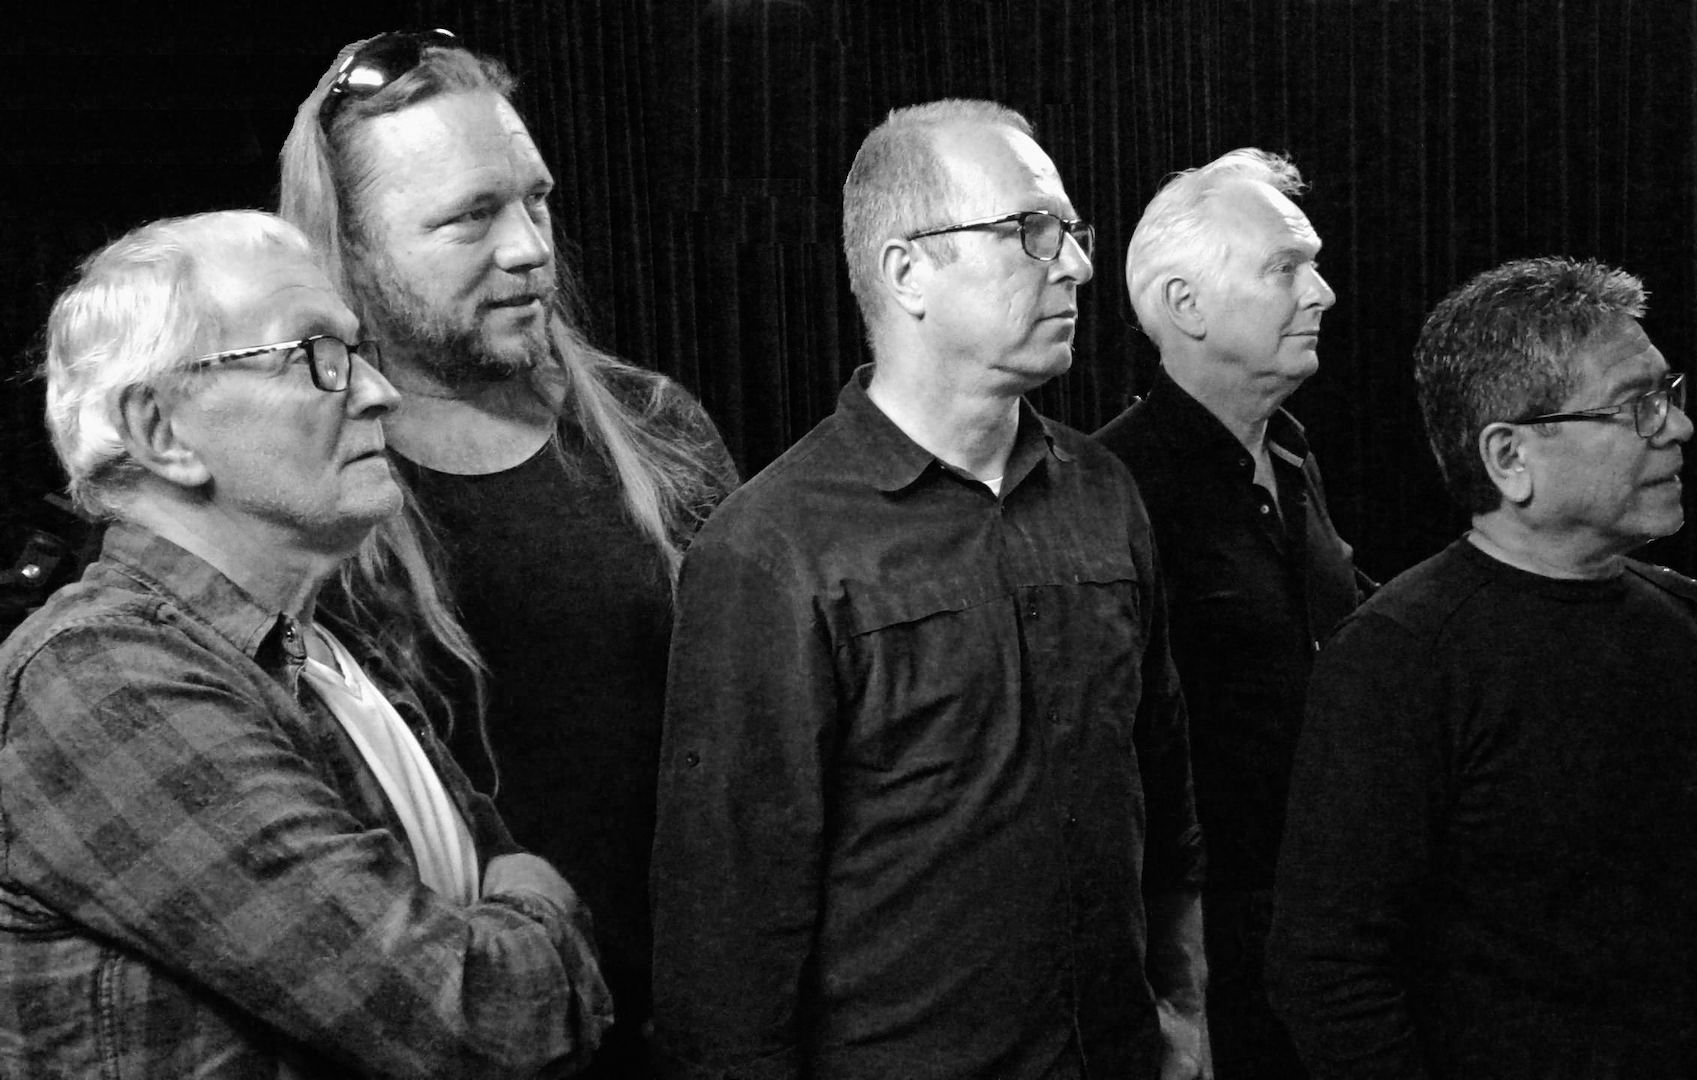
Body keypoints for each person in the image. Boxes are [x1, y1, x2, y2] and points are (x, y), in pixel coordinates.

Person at [650, 99, 1210, 1080]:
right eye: (1031, 230)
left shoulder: (1103, 493)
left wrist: (1185, 1009)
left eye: (1071, 230)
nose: (1077, 265)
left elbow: (1163, 792)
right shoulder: (771, 550)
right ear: (907, 272)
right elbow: (726, 934)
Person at [0, 210, 610, 1078]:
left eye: (359, 352)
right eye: (316, 356)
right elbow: (479, 1021)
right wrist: (541, 907)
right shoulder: (100, 681)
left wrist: (513, 909)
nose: (379, 392)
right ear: (161, 431)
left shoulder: (321, 648)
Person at [278, 31, 737, 1075]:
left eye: (536, 200)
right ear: (352, 248)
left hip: (697, 1026)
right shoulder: (309, 485)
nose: (530, 246)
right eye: (471, 216)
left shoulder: (653, 426)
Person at [1269, 256, 1697, 1079]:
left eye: (1668, 394)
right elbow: (1329, 970)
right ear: (1509, 457)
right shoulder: (1398, 658)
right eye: (1637, 406)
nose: (1678, 427)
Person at [1095, 148, 1363, 1079]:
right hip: (1211, 962)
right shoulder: (1110, 488)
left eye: (1313, 264)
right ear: (1187, 305)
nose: (1322, 291)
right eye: (1285, 268)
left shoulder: (1290, 455)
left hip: (1321, 924)